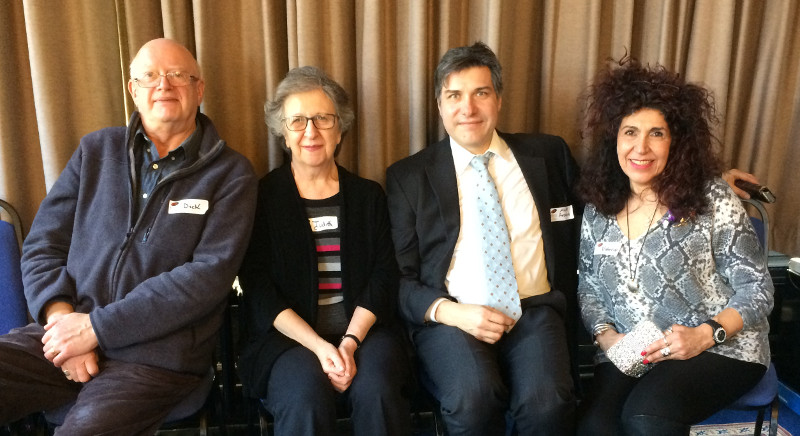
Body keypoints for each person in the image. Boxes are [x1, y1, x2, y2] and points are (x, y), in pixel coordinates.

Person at [0, 38, 257, 433]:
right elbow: (42, 245)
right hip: (61, 335)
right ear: (133, 90)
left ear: (199, 89)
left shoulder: (230, 174)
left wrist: (96, 329)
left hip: (155, 360)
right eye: (150, 76)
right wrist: (64, 322)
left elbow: (205, 279)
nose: (164, 85)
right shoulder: (95, 151)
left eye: (177, 76)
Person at [386, 42, 579, 435]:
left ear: (499, 100)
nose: (467, 108)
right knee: (473, 400)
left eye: (481, 93)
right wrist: (454, 313)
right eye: (454, 95)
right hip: (454, 317)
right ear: (439, 106)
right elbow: (399, 279)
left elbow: (606, 201)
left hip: (535, 308)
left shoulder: (548, 154)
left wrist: (695, 181)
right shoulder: (409, 177)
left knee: (548, 406)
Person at [575, 57, 773, 435]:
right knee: (593, 427)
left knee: (647, 417)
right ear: (614, 138)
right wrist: (607, 337)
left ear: (676, 141)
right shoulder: (599, 207)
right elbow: (589, 287)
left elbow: (756, 287)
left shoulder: (711, 197)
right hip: (636, 351)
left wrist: (705, 333)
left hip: (719, 346)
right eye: (630, 132)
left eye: (657, 133)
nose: (641, 147)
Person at [237, 66, 411, 436]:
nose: (310, 132)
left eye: (322, 119)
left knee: (377, 390)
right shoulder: (261, 198)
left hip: (367, 335)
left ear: (340, 127)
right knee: (305, 394)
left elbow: (384, 275)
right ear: (283, 133)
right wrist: (318, 346)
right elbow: (258, 289)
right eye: (297, 121)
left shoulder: (368, 196)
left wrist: (348, 343)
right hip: (286, 341)